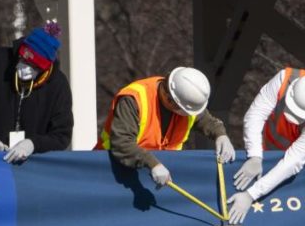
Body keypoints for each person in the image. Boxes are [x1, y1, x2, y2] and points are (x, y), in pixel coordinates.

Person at [227, 67, 305, 224]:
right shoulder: (284, 79)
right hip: (273, 154)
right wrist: (255, 155)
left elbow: (292, 163)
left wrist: (251, 195)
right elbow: (256, 113)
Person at [96, 67, 235, 187]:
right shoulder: (134, 99)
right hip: (109, 173)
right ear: (169, 100)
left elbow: (205, 119)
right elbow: (122, 142)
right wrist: (152, 163)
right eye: (185, 111)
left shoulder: (185, 98)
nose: (189, 115)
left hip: (157, 177)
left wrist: (221, 135)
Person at [0, 23, 73, 164]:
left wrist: (33, 144)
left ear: (44, 69)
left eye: (34, 67)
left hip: (31, 166)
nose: (26, 69)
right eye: (23, 60)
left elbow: (61, 135)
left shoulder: (58, 85)